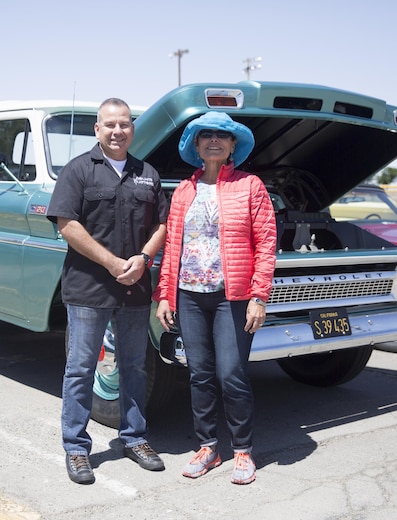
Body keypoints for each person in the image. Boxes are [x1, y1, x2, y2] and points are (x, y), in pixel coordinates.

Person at [47, 98, 169, 485]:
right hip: (89, 289)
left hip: (134, 289)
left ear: (132, 128)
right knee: (81, 368)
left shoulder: (147, 173)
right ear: (96, 130)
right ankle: (77, 448)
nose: (118, 131)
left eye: (124, 124)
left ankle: (134, 438)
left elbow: (162, 224)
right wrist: (113, 264)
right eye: (109, 124)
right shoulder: (78, 170)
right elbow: (67, 224)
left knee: (134, 367)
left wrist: (143, 259)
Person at [154, 111, 277, 485]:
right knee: (199, 374)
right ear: (196, 145)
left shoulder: (250, 185)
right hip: (189, 294)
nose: (213, 141)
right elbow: (172, 245)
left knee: (232, 373)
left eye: (222, 136)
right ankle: (208, 447)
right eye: (205, 135)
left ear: (232, 146)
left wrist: (259, 296)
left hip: (232, 296)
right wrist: (164, 295)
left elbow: (267, 242)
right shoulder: (183, 191)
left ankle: (243, 450)